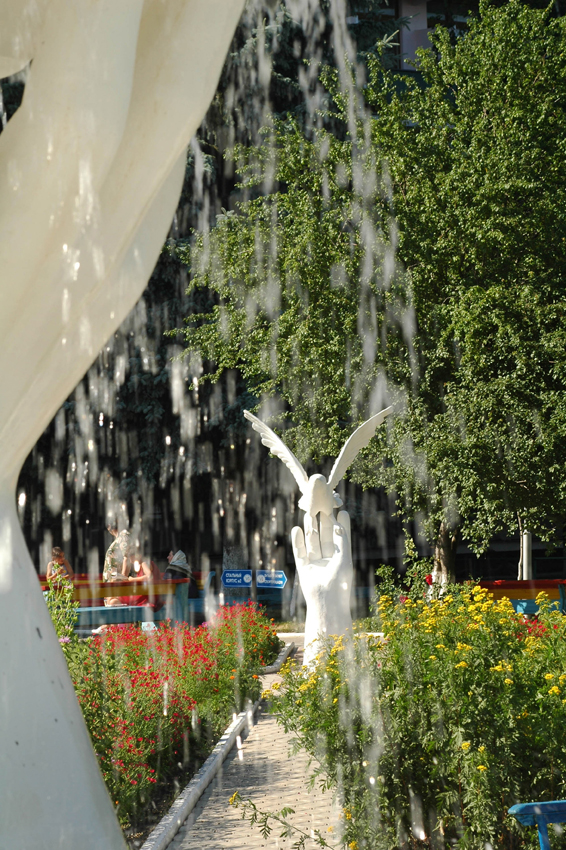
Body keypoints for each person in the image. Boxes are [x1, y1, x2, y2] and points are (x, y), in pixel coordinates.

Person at [102, 524, 131, 607]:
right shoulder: (120, 538)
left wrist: (122, 581)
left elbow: (127, 558)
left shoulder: (123, 536)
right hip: (112, 585)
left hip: (117, 586)